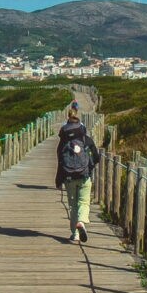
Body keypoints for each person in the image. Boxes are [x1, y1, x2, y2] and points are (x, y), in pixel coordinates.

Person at [55, 100, 99, 243]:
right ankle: (81, 222)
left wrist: (59, 178)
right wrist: (90, 166)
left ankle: (75, 234)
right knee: (84, 202)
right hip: (84, 174)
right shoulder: (86, 139)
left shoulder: (63, 142)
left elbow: (60, 159)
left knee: (73, 205)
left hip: (68, 176)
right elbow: (96, 156)